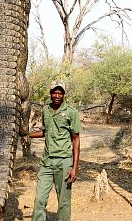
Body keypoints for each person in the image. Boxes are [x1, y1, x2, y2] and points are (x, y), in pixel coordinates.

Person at [29, 80, 82, 221]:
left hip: (64, 162)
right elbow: (45, 132)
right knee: (39, 198)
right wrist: (27, 135)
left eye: (60, 93)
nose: (57, 95)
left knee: (63, 201)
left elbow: (76, 139)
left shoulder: (71, 112)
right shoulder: (46, 110)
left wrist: (74, 167)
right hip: (46, 162)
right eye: (54, 92)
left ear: (64, 94)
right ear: (50, 93)